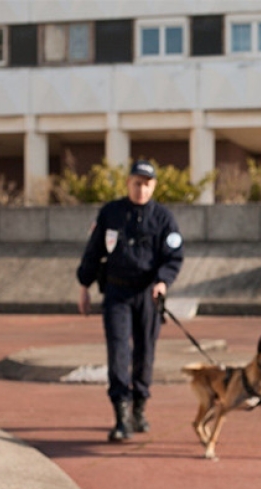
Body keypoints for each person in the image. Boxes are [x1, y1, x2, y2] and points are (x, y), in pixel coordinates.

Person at [77, 159, 184, 442]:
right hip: (117, 294)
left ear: (154, 186)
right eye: (137, 183)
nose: (141, 189)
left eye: (147, 184)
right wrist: (84, 285)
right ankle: (121, 416)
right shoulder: (111, 213)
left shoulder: (163, 218)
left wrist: (163, 280)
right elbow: (93, 251)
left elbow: (174, 256)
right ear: (128, 183)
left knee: (144, 353)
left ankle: (139, 408)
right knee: (118, 353)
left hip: (148, 294)